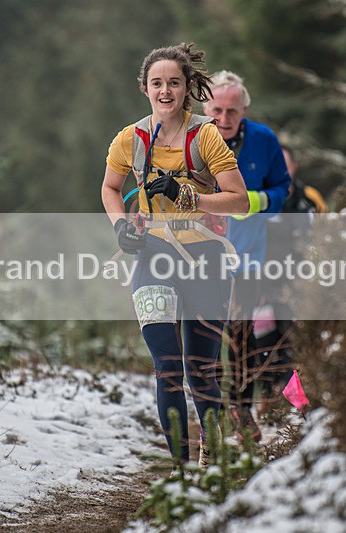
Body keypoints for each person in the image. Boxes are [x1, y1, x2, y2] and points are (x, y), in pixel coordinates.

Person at [101, 44, 249, 467]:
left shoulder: (204, 135)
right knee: (167, 365)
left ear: (187, 89)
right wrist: (120, 225)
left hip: (205, 256)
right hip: (153, 254)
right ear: (144, 89)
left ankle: (214, 461)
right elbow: (110, 188)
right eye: (157, 83)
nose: (165, 91)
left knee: (201, 368)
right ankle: (182, 471)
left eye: (174, 83)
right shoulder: (130, 138)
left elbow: (239, 201)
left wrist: (187, 194)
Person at [202, 70, 291, 442]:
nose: (224, 119)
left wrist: (255, 201)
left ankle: (242, 407)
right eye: (217, 110)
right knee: (205, 331)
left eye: (232, 112)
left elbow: (283, 189)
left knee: (241, 334)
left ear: (244, 110)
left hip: (248, 255)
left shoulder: (263, 140)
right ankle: (208, 411)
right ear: (205, 107)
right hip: (199, 255)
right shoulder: (190, 139)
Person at [255, 147, 328, 410]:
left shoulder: (309, 199)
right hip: (260, 285)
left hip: (295, 283)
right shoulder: (256, 198)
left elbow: (323, 237)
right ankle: (266, 401)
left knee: (293, 344)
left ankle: (299, 404)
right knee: (262, 345)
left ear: (294, 166)